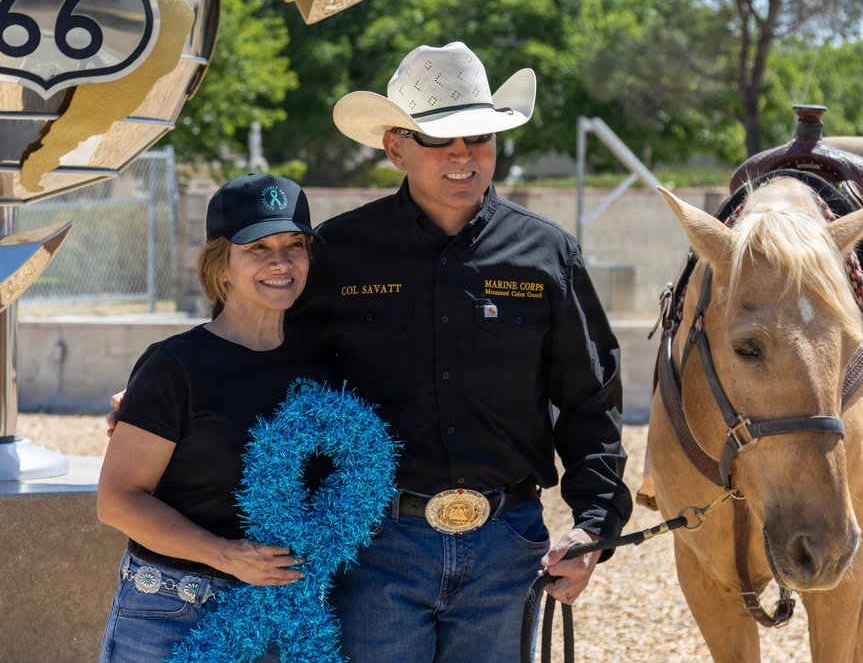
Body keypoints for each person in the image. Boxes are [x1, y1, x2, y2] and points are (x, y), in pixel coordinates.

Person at [293, 41, 633, 662]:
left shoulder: (549, 255)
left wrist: (593, 526)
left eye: (479, 137)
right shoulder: (337, 253)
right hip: (373, 544)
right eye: (438, 139)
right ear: (395, 146)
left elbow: (591, 398)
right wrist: (171, 400)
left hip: (509, 546)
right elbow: (275, 369)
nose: (463, 155)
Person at [97, 173, 335, 663]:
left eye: (295, 244)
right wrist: (223, 554)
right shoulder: (175, 366)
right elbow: (118, 501)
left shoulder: (326, 365)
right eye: (257, 247)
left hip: (283, 613)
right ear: (221, 266)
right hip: (171, 613)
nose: (281, 260)